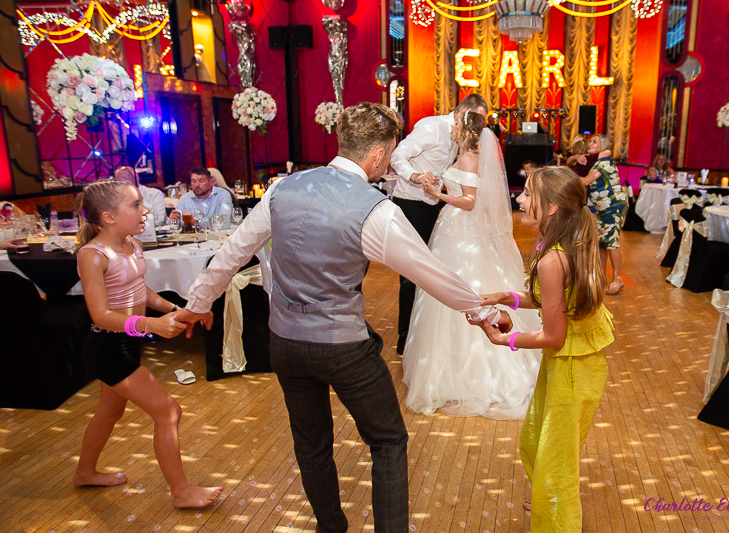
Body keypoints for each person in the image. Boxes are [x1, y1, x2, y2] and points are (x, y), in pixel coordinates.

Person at [175, 102, 508, 532]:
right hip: (343, 347)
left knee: (311, 444)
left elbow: (233, 252)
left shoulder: (282, 188)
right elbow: (430, 272)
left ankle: (331, 527)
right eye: (390, 152)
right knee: (388, 441)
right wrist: (480, 311)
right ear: (378, 155)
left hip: (286, 343)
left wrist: (197, 303)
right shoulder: (376, 210)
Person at [471, 165, 614, 533]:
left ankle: (556, 519)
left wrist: (507, 340)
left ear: (550, 207)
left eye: (528, 194)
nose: (520, 198)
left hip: (572, 369)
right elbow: (552, 299)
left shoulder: (552, 259)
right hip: (571, 365)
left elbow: (553, 336)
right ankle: (545, 496)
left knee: (557, 469)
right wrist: (507, 297)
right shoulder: (565, 242)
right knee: (535, 437)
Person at [72, 180, 223, 508]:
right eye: (136, 205)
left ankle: (84, 472)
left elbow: (141, 293)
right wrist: (149, 324)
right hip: (105, 347)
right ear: (109, 217)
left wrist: (177, 310)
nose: (146, 211)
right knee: (168, 411)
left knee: (110, 411)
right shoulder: (92, 255)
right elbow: (99, 316)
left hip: (126, 343)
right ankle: (181, 491)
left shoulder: (131, 245)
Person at [403, 111, 542, 419]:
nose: (451, 128)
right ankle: (448, 367)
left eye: (455, 124)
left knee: (461, 284)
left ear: (464, 129)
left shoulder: (468, 158)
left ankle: (470, 373)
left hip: (461, 230)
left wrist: (438, 194)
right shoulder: (464, 156)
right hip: (454, 229)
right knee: (446, 288)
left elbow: (470, 201)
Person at [389, 94, 489, 355]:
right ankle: (405, 339)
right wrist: (415, 175)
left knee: (433, 271)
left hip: (438, 208)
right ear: (460, 115)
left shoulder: (462, 139)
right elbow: (398, 155)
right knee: (412, 272)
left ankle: (427, 333)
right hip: (411, 204)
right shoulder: (431, 128)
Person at [583, 134, 628, 295]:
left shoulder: (604, 162)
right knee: (602, 242)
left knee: (611, 242)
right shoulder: (596, 162)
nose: (590, 144)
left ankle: (617, 279)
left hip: (613, 205)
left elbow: (586, 181)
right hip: (603, 208)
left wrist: (565, 177)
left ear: (603, 146)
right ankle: (601, 277)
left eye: (594, 142)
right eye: (590, 141)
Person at [168, 167, 233, 228]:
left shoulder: (222, 194)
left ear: (211, 182)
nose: (197, 185)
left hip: (219, 237)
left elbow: (224, 222)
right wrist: (174, 219)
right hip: (192, 237)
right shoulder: (185, 198)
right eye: (193, 181)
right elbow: (178, 220)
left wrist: (196, 222)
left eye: (201, 181)